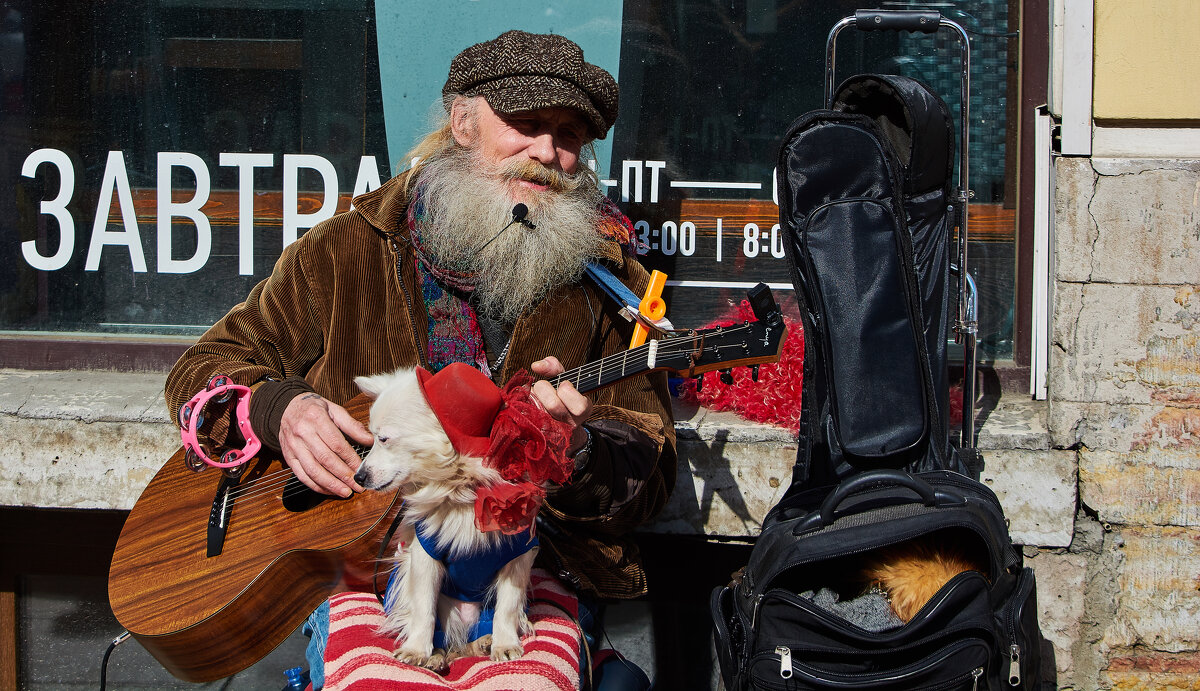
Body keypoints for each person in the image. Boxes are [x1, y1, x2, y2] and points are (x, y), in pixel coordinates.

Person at [164, 29, 675, 689]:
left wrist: (576, 451)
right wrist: (276, 408)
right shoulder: (346, 252)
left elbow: (651, 464)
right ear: (463, 122)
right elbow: (205, 365)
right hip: (368, 568)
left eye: (570, 134)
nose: (547, 151)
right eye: (525, 124)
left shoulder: (613, 284)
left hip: (531, 570)